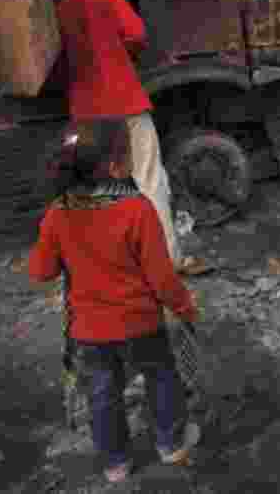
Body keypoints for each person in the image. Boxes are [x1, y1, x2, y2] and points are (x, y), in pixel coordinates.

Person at [28, 119, 201, 482]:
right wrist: (185, 307)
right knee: (161, 376)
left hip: (89, 331)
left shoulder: (57, 213)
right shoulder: (137, 209)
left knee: (103, 393)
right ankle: (171, 445)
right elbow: (161, 279)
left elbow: (41, 272)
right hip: (141, 323)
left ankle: (115, 464)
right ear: (114, 166)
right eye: (129, 153)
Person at [50, 0, 186, 272]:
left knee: (98, 188)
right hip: (126, 103)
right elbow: (137, 35)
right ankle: (168, 261)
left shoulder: (54, 14)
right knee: (149, 179)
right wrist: (119, 54)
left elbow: (52, 64)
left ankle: (114, 265)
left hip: (87, 113)